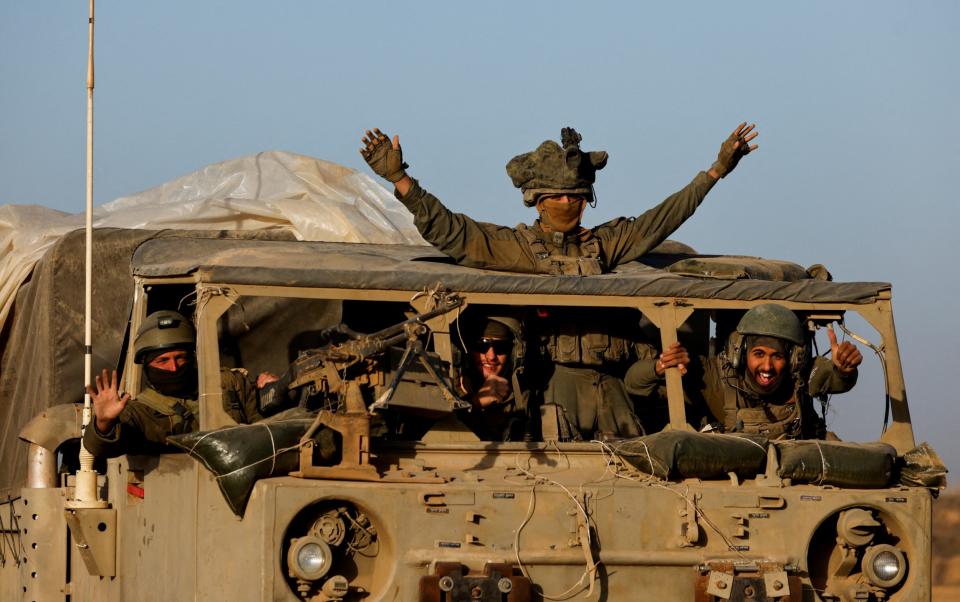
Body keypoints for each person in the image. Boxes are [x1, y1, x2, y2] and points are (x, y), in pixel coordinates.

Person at [360, 124, 757, 440]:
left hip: (615, 394)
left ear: (586, 199)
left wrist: (715, 172)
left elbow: (662, 219)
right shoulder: (515, 249)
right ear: (536, 198)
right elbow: (452, 233)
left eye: (575, 196)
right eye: (557, 196)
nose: (566, 204)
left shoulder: (606, 245)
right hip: (547, 393)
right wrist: (400, 179)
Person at [625, 303, 863, 439]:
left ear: (792, 359)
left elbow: (832, 379)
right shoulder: (714, 375)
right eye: (759, 354)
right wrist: (659, 367)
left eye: (777, 356)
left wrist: (844, 369)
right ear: (740, 354)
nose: (767, 367)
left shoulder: (798, 375)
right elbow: (633, 383)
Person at [83, 310, 270, 457]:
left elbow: (264, 431)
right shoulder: (141, 411)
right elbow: (99, 448)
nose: (173, 368)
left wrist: (272, 392)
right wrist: (104, 423)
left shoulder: (229, 383)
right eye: (163, 361)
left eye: (180, 358)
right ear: (147, 365)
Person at [457, 315, 529, 441]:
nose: (491, 356)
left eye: (501, 346)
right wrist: (475, 403)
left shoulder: (522, 396)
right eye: (482, 345)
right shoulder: (449, 388)